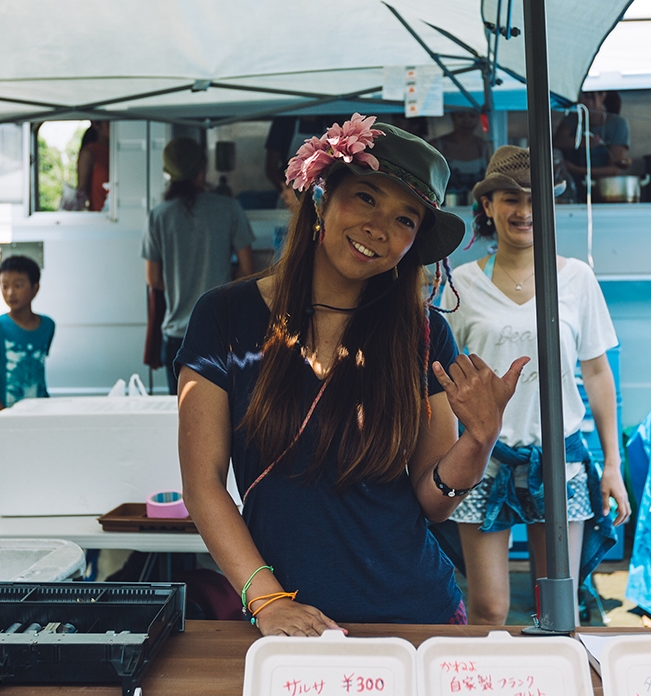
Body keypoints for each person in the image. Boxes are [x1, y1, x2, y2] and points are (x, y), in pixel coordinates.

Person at [176, 114, 528, 634]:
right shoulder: (224, 316)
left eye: (405, 219)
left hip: (416, 615)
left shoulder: (424, 334)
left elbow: (433, 503)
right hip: (291, 621)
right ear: (323, 198)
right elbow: (203, 485)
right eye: (366, 197)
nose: (379, 229)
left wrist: (479, 440)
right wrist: (269, 601)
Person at [444, 145, 631, 625]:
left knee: (558, 607)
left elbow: (597, 373)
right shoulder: (460, 284)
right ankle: (487, 677)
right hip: (484, 461)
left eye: (535, 200)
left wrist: (612, 465)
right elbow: (441, 381)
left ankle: (556, 677)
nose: (524, 211)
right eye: (511, 198)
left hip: (559, 460)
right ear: (487, 206)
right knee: (489, 608)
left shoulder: (577, 279)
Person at [143, 136, 255, 393]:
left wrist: (180, 282)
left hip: (177, 335)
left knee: (181, 409)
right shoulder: (229, 208)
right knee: (227, 410)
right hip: (221, 331)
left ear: (169, 174)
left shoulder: (158, 216)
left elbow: (153, 279)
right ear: (202, 170)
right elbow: (248, 269)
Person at [0, 256, 55, 413]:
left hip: (40, 412)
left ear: (35, 288)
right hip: (7, 413)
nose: (10, 293)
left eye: (18, 285)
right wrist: (0, 411)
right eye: (4, 286)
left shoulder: (48, 325)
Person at [553, 91, 631, 198]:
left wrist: (575, 169)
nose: (582, 101)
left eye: (588, 97)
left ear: (602, 96)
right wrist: (582, 142)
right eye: (579, 97)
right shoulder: (573, 117)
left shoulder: (617, 124)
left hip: (605, 191)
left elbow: (614, 169)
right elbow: (556, 142)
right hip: (573, 191)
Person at [431, 110, 491, 201]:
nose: (467, 121)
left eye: (472, 116)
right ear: (453, 117)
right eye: (460, 115)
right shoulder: (438, 145)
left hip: (476, 205)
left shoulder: (483, 147)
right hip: (444, 206)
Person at [74, 120, 110, 212]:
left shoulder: (122, 150)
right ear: (97, 125)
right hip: (99, 215)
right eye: (108, 123)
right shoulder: (89, 153)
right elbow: (82, 191)